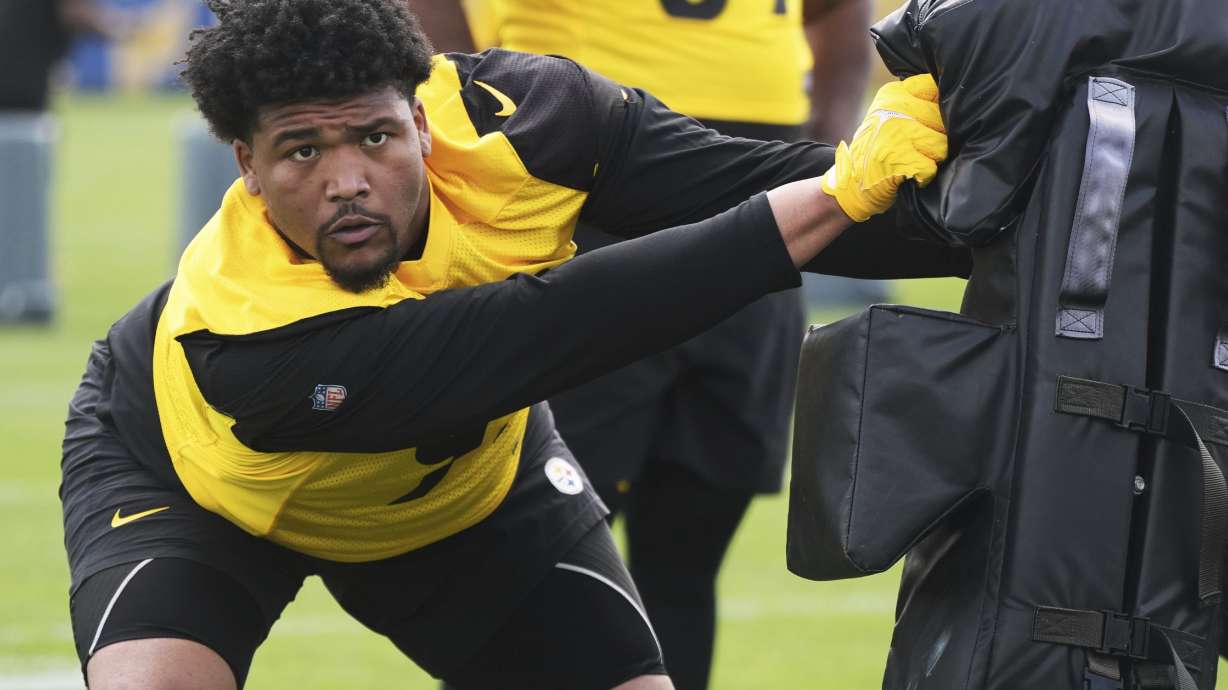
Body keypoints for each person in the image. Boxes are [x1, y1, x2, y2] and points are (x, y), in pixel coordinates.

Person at [59, 1, 955, 688]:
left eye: (374, 136)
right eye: (300, 153)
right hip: (192, 479)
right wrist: (839, 194)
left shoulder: (527, 120)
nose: (347, 182)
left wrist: (963, 184)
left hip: (461, 497)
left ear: (420, 119)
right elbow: (559, 324)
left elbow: (743, 178)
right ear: (245, 168)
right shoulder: (249, 335)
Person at [413, 2, 874, 687]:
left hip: (759, 187)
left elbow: (837, 10)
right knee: (541, 543)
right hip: (582, 175)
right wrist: (468, 114)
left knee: (690, 545)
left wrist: (831, 137)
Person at [0, 0, 120, 324]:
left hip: (15, 85)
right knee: (23, 198)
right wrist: (120, 29)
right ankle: (23, 289)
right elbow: (75, 12)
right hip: (19, 93)